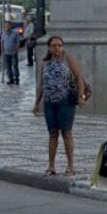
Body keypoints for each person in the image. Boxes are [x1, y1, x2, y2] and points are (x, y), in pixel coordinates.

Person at [36, 34, 89, 177]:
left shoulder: (68, 60)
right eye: (54, 45)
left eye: (59, 45)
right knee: (53, 134)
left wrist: (81, 96)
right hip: (49, 102)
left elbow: (79, 78)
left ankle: (70, 165)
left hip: (65, 101)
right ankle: (51, 165)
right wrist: (37, 102)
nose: (57, 48)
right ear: (49, 47)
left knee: (66, 132)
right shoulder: (45, 63)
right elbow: (41, 84)